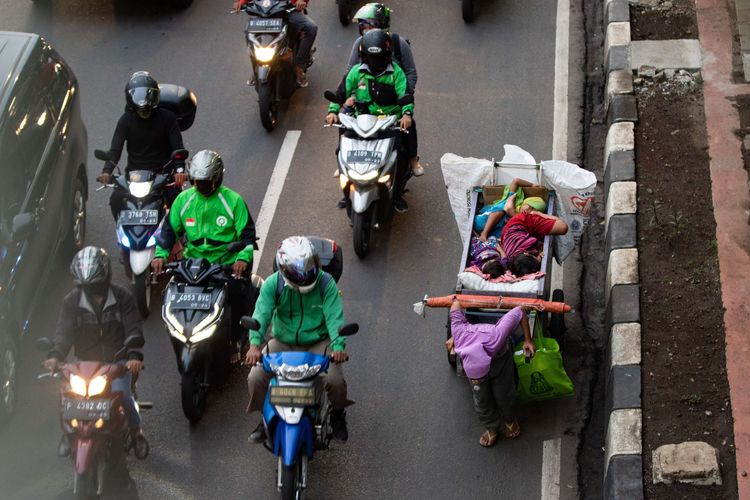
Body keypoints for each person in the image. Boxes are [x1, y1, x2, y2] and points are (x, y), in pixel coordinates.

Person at [42, 247, 148, 457]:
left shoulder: (123, 297)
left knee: (124, 396)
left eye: (95, 284)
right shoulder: (71, 301)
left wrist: (133, 356)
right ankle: (68, 433)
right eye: (86, 286)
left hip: (117, 363)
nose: (92, 290)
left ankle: (137, 433)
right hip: (83, 365)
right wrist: (55, 356)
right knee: (67, 397)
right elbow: (63, 332)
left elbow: (133, 328)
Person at [151, 150, 256, 359]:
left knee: (238, 294)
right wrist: (160, 255)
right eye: (198, 181)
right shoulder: (183, 201)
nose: (202, 186)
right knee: (173, 296)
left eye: (207, 182)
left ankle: (239, 339)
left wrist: (242, 259)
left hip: (226, 263)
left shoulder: (233, 201)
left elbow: (247, 236)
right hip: (193, 265)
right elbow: (168, 232)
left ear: (217, 179)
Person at [244, 236, 351, 442]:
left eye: (309, 266)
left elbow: (334, 316)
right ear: (284, 269)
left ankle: (338, 414)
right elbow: (261, 314)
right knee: (255, 378)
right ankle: (265, 418)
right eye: (297, 271)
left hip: (318, 342)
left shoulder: (325, 283)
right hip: (283, 342)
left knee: (335, 381)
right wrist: (255, 345)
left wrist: (338, 345)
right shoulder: (273, 284)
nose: (304, 275)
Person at [326, 29, 414, 212]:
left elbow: (405, 95)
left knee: (401, 154)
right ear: (363, 56)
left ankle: (396, 194)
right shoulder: (356, 73)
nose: (375, 62)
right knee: (341, 150)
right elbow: (340, 93)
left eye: (379, 57)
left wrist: (406, 114)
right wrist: (333, 111)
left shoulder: (396, 73)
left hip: (388, 122)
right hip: (361, 121)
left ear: (387, 55)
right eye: (369, 57)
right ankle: (347, 191)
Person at [342, 3, 422, 176]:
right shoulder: (360, 43)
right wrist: (352, 96)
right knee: (346, 124)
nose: (365, 30)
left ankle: (412, 159)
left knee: (407, 130)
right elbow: (350, 73)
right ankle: (345, 163)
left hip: (393, 100)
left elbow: (411, 73)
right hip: (366, 99)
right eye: (363, 26)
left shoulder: (398, 43)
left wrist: (404, 98)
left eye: (369, 25)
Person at [97, 71, 187, 221]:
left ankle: (177, 239)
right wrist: (107, 171)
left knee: (178, 203)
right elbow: (115, 149)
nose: (144, 112)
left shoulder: (168, 118)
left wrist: (179, 170)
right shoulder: (125, 121)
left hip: (164, 175)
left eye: (147, 109)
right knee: (115, 200)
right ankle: (122, 231)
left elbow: (177, 147)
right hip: (135, 177)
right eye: (141, 110)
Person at [446, 298, 536, 447]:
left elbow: (520, 311)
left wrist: (528, 340)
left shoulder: (498, 335)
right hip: (472, 346)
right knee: (481, 400)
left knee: (504, 394)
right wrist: (454, 337)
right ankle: (492, 428)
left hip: (500, 359)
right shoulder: (457, 330)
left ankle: (509, 421)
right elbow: (455, 303)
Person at [233, 0, 317, 87]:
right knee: (249, 32)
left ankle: (299, 66)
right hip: (263, 10)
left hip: (288, 9)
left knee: (311, 28)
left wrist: (302, 0)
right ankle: (255, 69)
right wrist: (240, 2)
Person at [474, 178, 546, 242]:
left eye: (532, 211)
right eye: (530, 207)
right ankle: (484, 233)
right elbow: (516, 181)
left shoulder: (523, 218)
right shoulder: (513, 200)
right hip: (482, 222)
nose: (528, 211)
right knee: (501, 211)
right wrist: (533, 185)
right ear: (525, 203)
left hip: (492, 235)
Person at [501, 211, 568, 277]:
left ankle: (538, 214)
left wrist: (539, 254)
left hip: (520, 222)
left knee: (563, 227)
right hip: (506, 233)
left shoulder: (528, 243)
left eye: (534, 257)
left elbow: (541, 244)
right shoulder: (511, 261)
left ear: (526, 253)